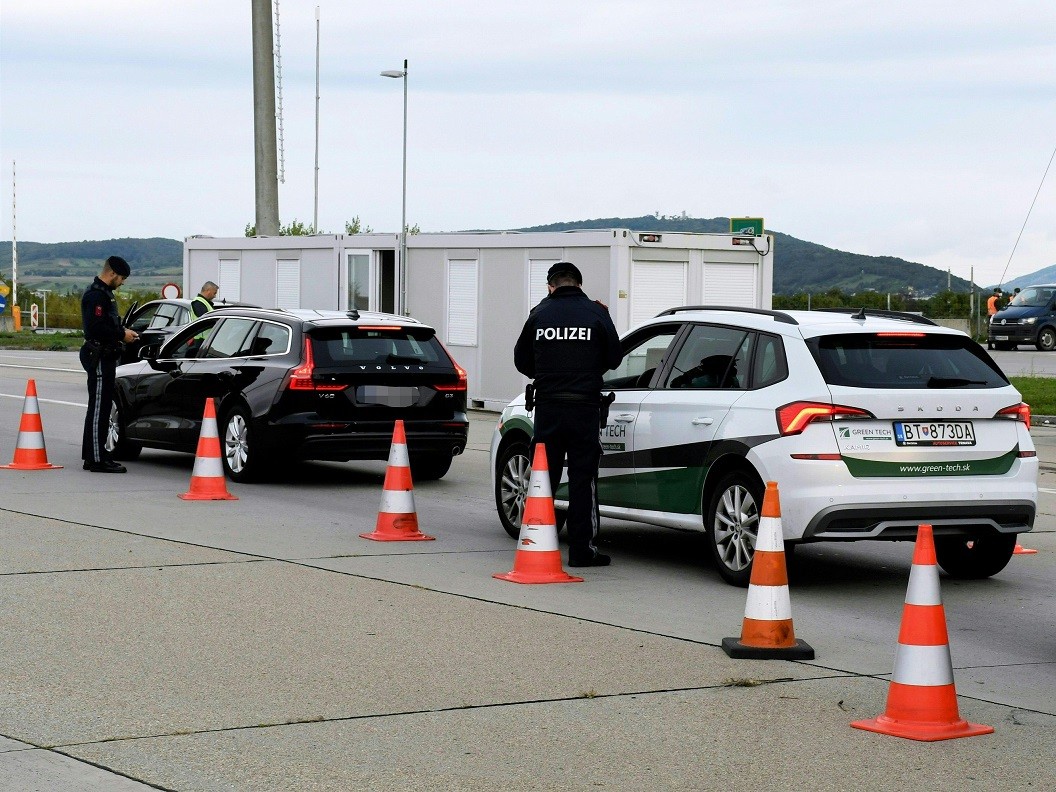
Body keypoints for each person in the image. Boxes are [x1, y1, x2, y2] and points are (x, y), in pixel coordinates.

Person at [514, 261, 623, 567]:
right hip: (584, 406)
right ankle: (581, 550)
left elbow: (521, 361)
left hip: (548, 406)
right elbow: (614, 358)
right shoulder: (596, 312)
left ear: (552, 285)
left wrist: (548, 374)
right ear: (579, 283)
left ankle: (536, 541)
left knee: (543, 477)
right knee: (582, 477)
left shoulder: (539, 313)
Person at [80, 256, 138, 473]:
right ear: (112, 273)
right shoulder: (97, 295)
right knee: (99, 409)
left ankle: (95, 455)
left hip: (105, 355)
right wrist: (122, 334)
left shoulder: (105, 294)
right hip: (99, 355)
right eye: (122, 278)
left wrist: (122, 332)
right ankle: (96, 459)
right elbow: (96, 328)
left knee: (103, 407)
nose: (122, 282)